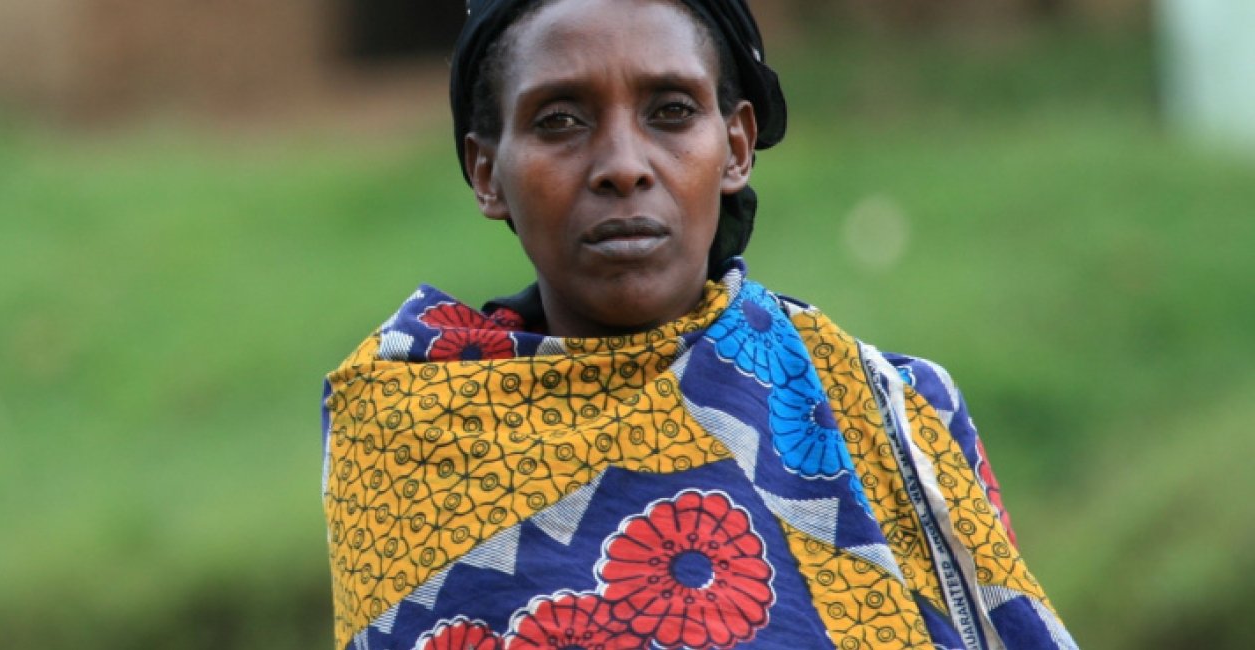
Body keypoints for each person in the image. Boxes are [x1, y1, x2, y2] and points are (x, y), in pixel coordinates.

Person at [321, 1, 1077, 648]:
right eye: (559, 120)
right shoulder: (409, 433)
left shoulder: (891, 413)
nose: (623, 164)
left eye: (671, 112)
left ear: (737, 147)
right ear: (488, 174)